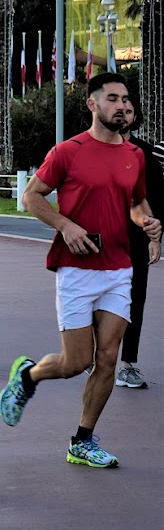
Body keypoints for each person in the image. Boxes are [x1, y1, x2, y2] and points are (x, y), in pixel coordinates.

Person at [2, 73, 160, 470]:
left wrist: (150, 225)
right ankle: (28, 376)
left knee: (107, 359)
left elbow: (137, 204)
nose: (122, 105)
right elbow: (31, 196)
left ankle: (82, 440)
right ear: (92, 104)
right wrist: (65, 226)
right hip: (76, 268)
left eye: (126, 99)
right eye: (112, 98)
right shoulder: (67, 152)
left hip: (119, 268)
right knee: (76, 362)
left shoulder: (135, 156)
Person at [116, 94, 162, 388]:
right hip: (99, 241)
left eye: (128, 111)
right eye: (117, 110)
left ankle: (127, 364)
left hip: (135, 241)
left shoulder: (146, 154)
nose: (122, 115)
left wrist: (156, 239)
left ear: (136, 117)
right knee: (99, 300)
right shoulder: (90, 150)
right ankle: (96, 354)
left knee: (135, 301)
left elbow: (157, 201)